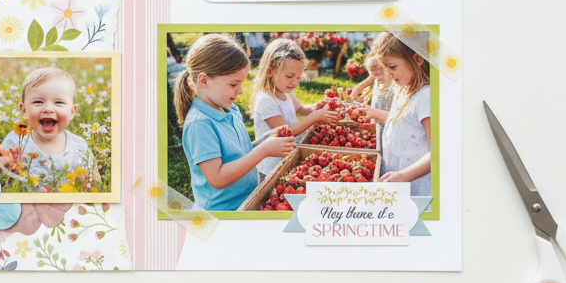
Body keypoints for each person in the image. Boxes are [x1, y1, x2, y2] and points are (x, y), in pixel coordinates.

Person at [176, 34, 294, 211]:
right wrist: (263, 151)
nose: (239, 91)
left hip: (247, 200)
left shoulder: (231, 110)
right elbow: (217, 177)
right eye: (233, 84)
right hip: (223, 213)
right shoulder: (199, 124)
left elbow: (238, 154)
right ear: (204, 80)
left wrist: (263, 141)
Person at [250, 38, 341, 179]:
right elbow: (285, 133)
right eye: (290, 76)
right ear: (270, 72)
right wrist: (314, 117)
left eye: (299, 77)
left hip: (288, 157)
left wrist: (315, 107)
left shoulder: (285, 91)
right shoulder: (266, 100)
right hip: (271, 166)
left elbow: (301, 109)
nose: (295, 82)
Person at [0, 66, 98, 191]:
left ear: (72, 112)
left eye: (59, 102)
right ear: (24, 111)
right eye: (38, 102)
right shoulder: (16, 140)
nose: (48, 109)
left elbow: (95, 183)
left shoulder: (79, 146)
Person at [363, 32, 432, 195]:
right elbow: (404, 124)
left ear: (417, 60)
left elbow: (439, 151)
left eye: (392, 67)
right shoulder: (403, 89)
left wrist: (404, 176)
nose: (388, 74)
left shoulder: (425, 97)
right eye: (385, 68)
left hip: (414, 188)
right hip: (395, 182)